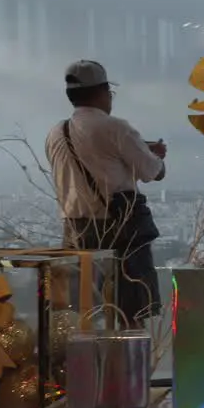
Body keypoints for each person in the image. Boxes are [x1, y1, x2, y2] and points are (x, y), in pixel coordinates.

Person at [45, 60, 166, 327]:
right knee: (130, 315)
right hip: (120, 228)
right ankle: (127, 367)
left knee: (79, 317)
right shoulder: (116, 128)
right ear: (101, 93)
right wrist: (156, 155)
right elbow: (154, 172)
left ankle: (83, 367)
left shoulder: (55, 133)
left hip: (75, 230)